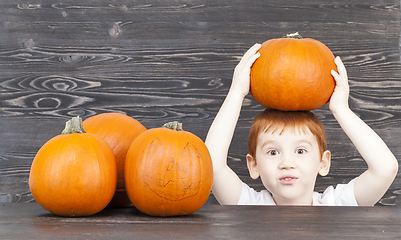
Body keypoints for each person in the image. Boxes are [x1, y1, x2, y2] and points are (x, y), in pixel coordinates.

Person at [205, 43, 398, 206]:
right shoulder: (249, 206)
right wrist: (236, 93)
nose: (287, 164)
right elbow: (210, 165)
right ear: (253, 165)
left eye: (300, 151)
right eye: (273, 152)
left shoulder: (336, 205)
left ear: (323, 163)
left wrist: (341, 109)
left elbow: (385, 168)